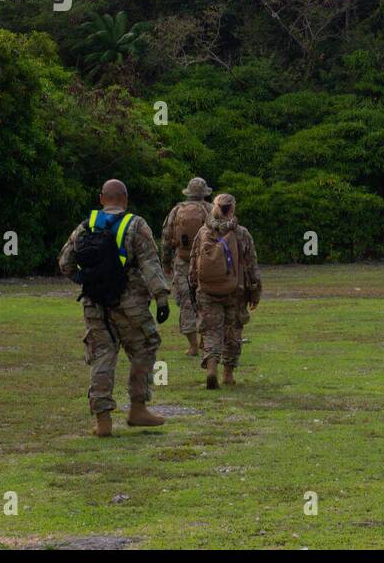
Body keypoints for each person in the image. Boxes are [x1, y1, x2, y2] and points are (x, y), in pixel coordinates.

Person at [58, 179, 171, 437]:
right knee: (145, 346)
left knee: (101, 356)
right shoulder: (136, 225)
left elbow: (65, 262)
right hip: (130, 303)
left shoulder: (86, 226)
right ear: (125, 200)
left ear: (101, 198)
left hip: (95, 303)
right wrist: (161, 297)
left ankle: (103, 421)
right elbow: (150, 264)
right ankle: (138, 407)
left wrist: (82, 280)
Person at [188, 193, 261, 390]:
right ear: (233, 209)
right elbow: (252, 265)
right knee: (233, 331)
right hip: (235, 291)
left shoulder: (203, 233)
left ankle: (212, 368)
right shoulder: (242, 234)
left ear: (215, 207)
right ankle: (228, 375)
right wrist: (255, 293)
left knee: (211, 330)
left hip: (207, 291)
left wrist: (194, 289)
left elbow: (193, 264)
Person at [160, 177, 214, 357]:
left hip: (182, 262)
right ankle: (203, 341)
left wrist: (166, 263)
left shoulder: (177, 211)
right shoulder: (211, 210)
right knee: (206, 301)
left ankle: (192, 346)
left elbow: (166, 238)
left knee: (186, 303)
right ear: (204, 194)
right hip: (205, 262)